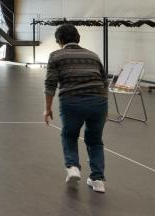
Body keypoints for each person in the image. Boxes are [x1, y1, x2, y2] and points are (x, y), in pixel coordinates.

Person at [44, 23, 109, 194]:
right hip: (98, 102)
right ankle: (98, 180)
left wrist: (47, 108)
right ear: (78, 38)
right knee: (95, 141)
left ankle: (73, 167)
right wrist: (105, 108)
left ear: (60, 40)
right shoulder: (93, 55)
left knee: (69, 135)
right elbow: (104, 82)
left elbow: (50, 83)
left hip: (72, 101)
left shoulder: (56, 56)